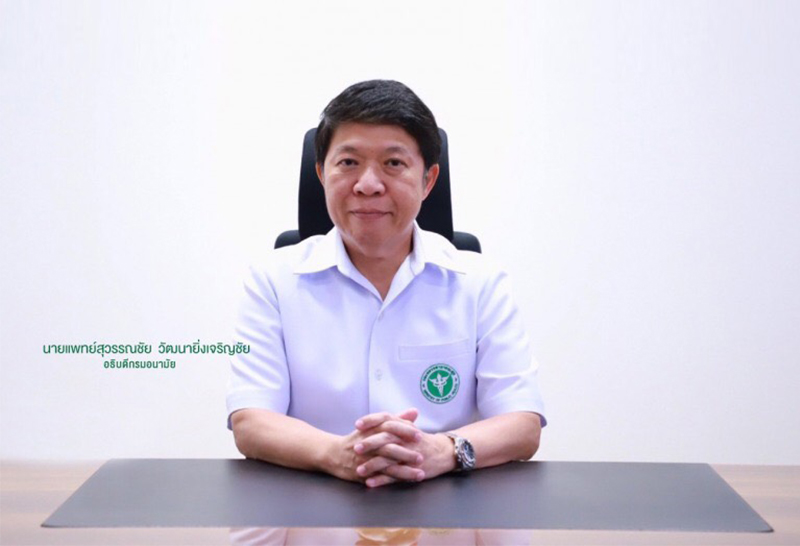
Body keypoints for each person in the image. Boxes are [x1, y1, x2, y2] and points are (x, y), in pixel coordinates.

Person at [227, 80, 546, 488]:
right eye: (348, 162)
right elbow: (251, 421)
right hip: (310, 501)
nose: (368, 183)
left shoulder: (481, 282)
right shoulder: (272, 281)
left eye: (393, 163)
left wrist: (442, 451)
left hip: (445, 505)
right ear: (321, 174)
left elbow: (522, 423)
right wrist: (337, 454)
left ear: (428, 180)